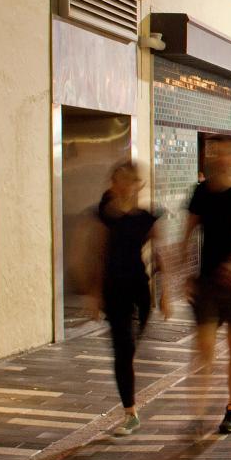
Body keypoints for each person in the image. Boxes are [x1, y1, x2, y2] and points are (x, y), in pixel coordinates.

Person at [184, 135, 231, 435]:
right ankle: (200, 399)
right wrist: (184, 273)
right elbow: (188, 232)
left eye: (227, 152)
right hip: (207, 279)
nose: (220, 157)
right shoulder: (201, 191)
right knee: (203, 344)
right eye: (216, 152)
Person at [89, 160, 168, 437]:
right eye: (118, 180)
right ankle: (130, 412)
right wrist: (94, 295)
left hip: (139, 290)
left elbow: (159, 257)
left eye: (129, 181)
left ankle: (129, 399)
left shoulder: (147, 217)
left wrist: (165, 295)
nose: (123, 186)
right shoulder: (104, 217)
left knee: (130, 348)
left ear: (138, 185)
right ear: (114, 184)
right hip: (114, 291)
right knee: (123, 350)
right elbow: (98, 256)